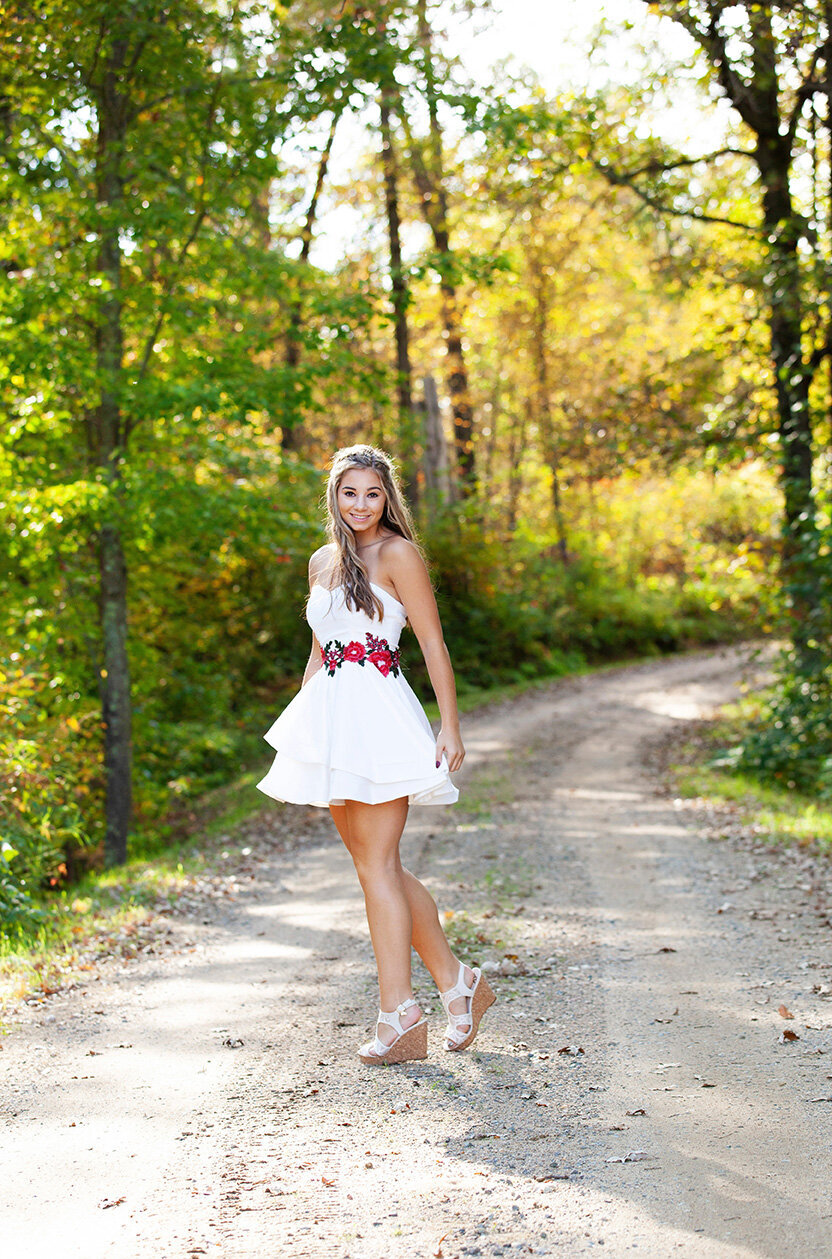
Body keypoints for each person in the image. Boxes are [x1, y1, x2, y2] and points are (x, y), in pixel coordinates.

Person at [257, 444, 495, 1065]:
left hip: (380, 713)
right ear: (333, 496)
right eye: (348, 493)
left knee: (379, 864)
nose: (361, 505)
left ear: (388, 497)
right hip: (333, 718)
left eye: (372, 493)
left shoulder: (398, 554)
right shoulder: (322, 562)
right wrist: (304, 728)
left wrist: (450, 725)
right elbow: (317, 651)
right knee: (374, 867)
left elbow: (434, 642)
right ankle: (457, 983)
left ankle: (399, 1016)